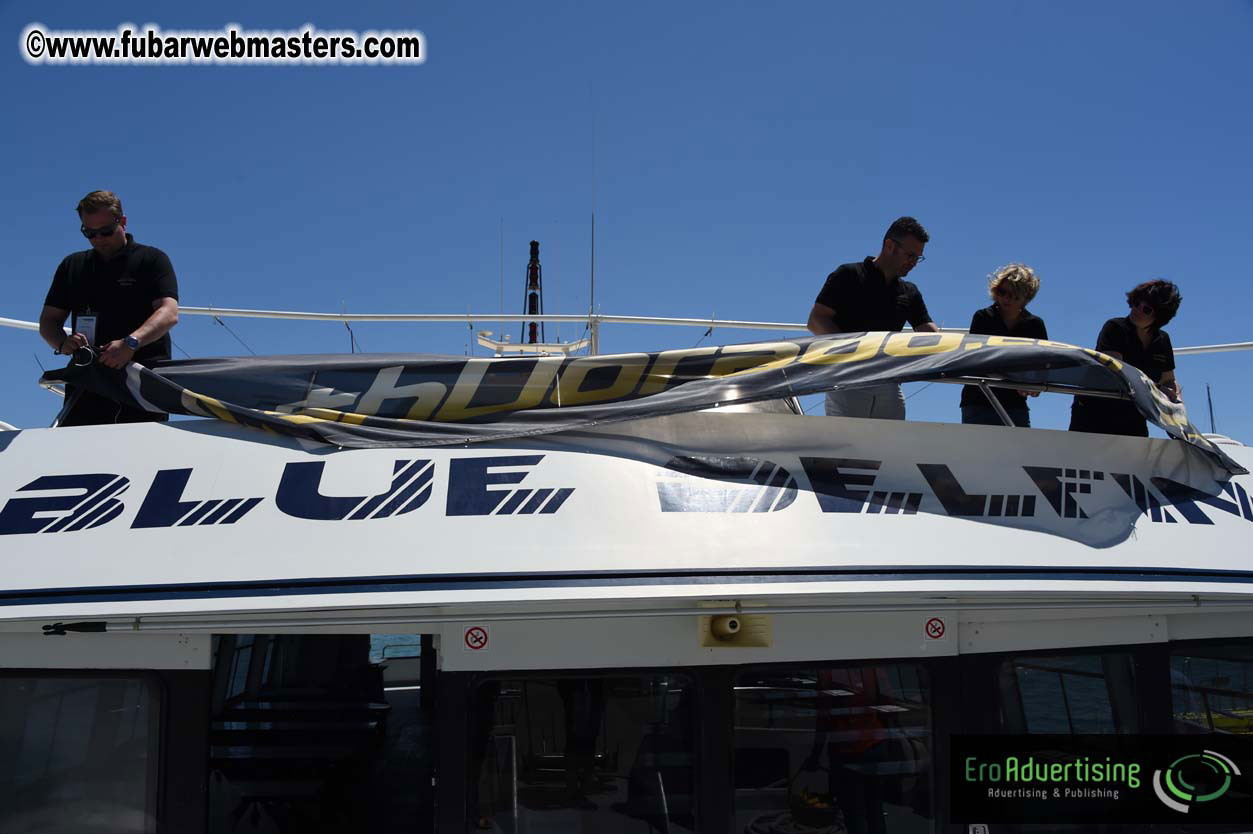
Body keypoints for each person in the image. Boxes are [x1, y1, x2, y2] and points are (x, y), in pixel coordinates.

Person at [38, 190, 180, 426]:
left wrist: (130, 343)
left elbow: (169, 312)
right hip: (87, 381)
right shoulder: (73, 265)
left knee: (141, 455)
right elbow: (48, 321)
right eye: (90, 233)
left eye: (105, 231)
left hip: (142, 381)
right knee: (78, 454)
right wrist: (62, 343)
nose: (99, 238)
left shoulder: (151, 259)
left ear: (122, 222)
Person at [807, 216, 939, 419]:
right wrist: (853, 352)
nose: (914, 263)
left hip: (888, 381)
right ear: (889, 246)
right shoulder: (848, 275)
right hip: (846, 377)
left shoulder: (909, 292)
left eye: (918, 258)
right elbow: (816, 320)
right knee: (848, 446)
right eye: (910, 255)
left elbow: (929, 332)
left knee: (891, 446)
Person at [1068, 279, 1183, 437]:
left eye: (1146, 309)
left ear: (1160, 316)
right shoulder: (1114, 328)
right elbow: (1118, 373)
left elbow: (1168, 379)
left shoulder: (1163, 340)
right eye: (1136, 303)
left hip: (1134, 415)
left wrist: (1175, 399)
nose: (1137, 310)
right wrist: (1159, 389)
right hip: (1095, 412)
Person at [958, 264, 1048, 427]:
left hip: (1015, 405)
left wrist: (1035, 385)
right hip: (978, 401)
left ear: (1025, 298)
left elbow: (1043, 365)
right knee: (977, 452)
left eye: (1013, 295)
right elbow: (975, 359)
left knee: (1018, 452)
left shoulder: (1035, 325)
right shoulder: (982, 317)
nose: (1006, 298)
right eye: (1002, 292)